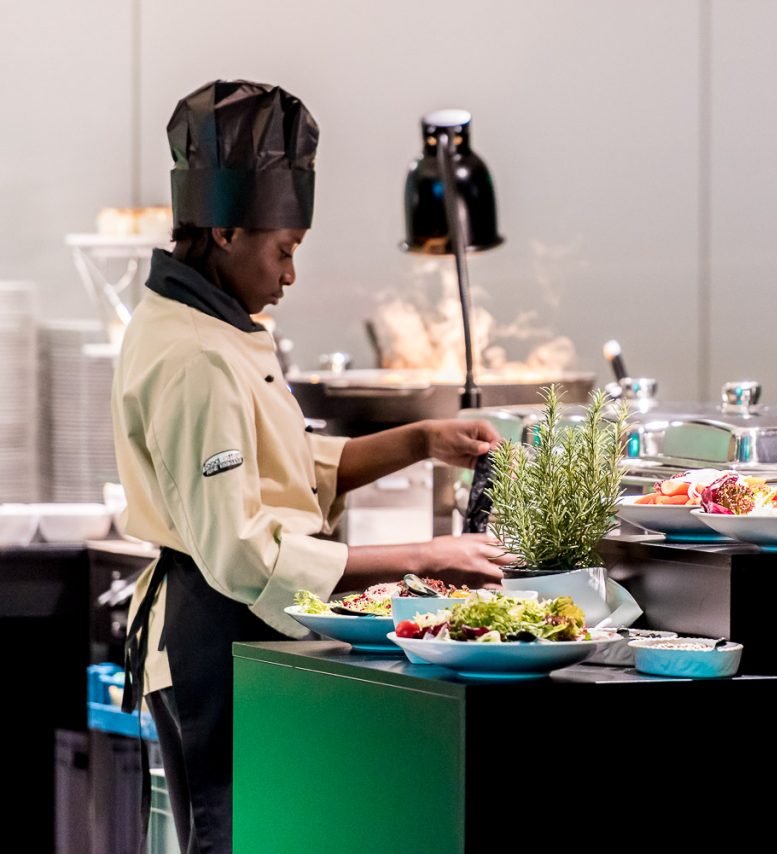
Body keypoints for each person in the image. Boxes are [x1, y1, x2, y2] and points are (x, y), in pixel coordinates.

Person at [111, 80, 512, 854]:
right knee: (225, 841)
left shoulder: (216, 325)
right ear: (226, 230)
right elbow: (241, 552)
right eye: (284, 251)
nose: (290, 277)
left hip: (247, 631)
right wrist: (430, 557)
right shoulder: (193, 354)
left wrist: (421, 439)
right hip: (212, 634)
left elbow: (288, 470)